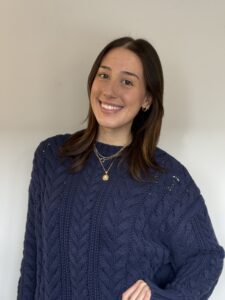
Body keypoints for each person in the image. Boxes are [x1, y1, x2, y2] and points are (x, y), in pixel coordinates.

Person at [17, 37, 224, 300]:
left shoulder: (168, 180)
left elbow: (205, 258)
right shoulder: (52, 158)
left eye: (127, 81)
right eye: (104, 75)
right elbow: (33, 260)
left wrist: (161, 297)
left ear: (147, 98)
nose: (109, 91)